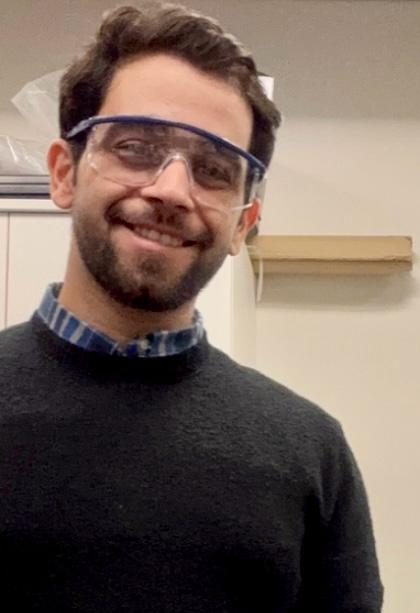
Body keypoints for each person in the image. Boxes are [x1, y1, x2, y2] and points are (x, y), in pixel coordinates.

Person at [0, 4, 382, 612]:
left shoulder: (310, 452)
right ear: (65, 173)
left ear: (243, 223)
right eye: (135, 148)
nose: (172, 190)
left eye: (213, 170)